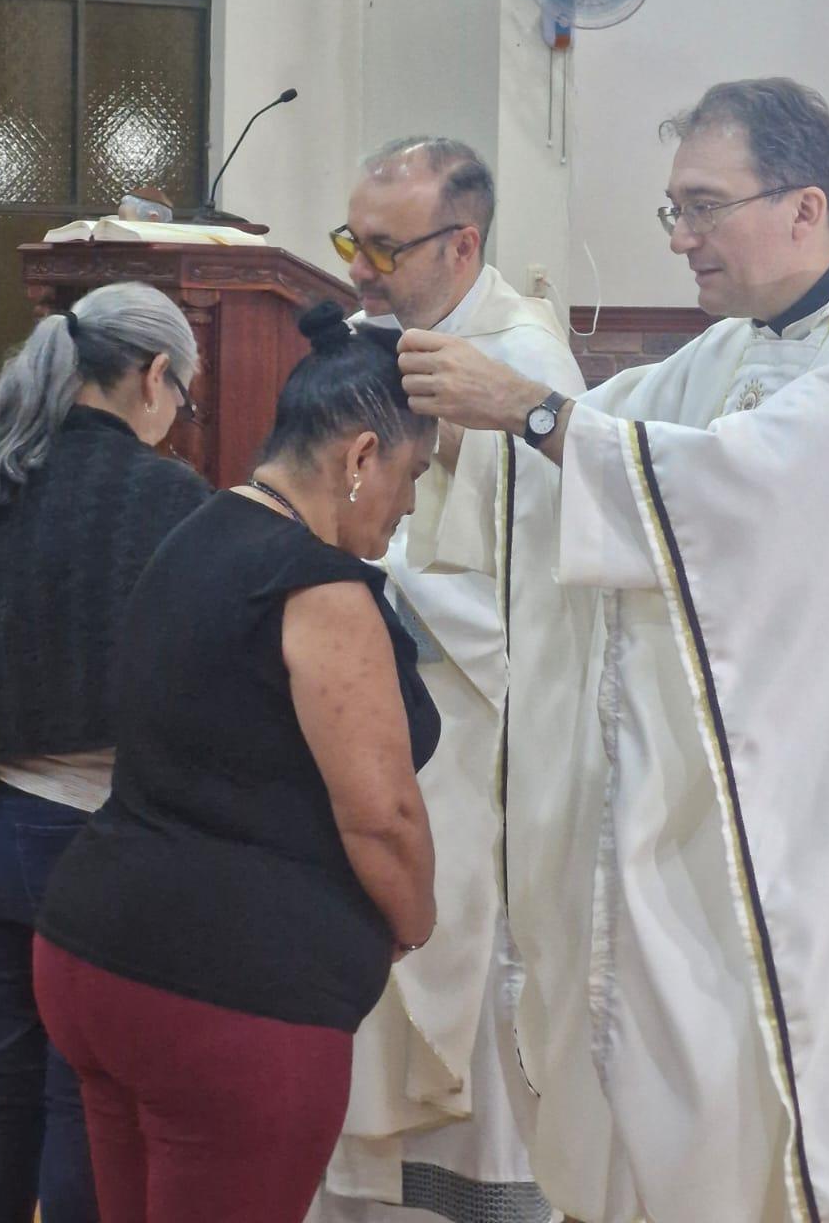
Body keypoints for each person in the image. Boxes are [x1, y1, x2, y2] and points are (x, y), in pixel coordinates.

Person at [397, 79, 829, 1223]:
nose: (682, 238)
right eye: (672, 210)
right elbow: (617, 435)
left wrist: (535, 416)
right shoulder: (744, 346)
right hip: (767, 800)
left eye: (703, 206)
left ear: (806, 207)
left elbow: (728, 489)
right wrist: (489, 418)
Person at [33, 301, 440, 1223]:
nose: (410, 502)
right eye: (413, 473)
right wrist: (415, 924)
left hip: (96, 950)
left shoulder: (199, 530)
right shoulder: (321, 587)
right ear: (362, 456)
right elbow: (382, 816)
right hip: (227, 996)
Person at [315, 137, 585, 1223]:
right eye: (351, 240)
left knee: (462, 987)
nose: (358, 270)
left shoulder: (522, 368)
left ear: (462, 241)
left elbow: (542, 603)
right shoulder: (387, 339)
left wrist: (356, 584)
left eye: (381, 247)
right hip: (389, 723)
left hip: (480, 751)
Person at [0, 281, 210, 1223]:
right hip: (80, 834)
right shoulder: (163, 497)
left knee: (2, 1081)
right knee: (85, 1095)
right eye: (184, 397)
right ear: (155, 375)